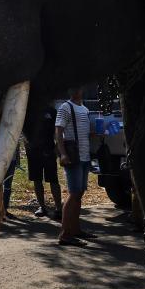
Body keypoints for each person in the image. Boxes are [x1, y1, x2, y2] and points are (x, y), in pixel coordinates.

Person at [56, 87, 97, 246]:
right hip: (73, 157)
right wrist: (63, 154)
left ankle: (75, 230)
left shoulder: (85, 109)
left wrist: (94, 133)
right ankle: (65, 234)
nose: (75, 89)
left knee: (79, 194)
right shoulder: (65, 107)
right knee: (73, 194)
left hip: (85, 157)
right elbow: (58, 131)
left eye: (78, 86)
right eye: (73, 87)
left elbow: (84, 132)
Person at [26, 105, 63, 220]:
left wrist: (57, 147)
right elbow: (23, 130)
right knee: (37, 180)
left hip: (49, 150)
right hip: (33, 151)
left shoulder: (51, 111)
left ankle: (58, 209)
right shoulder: (28, 111)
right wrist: (28, 144)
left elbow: (58, 130)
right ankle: (42, 207)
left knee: (53, 180)